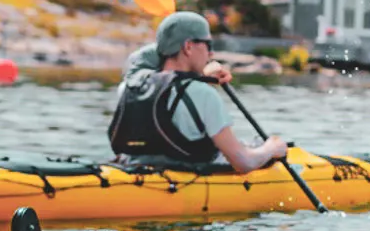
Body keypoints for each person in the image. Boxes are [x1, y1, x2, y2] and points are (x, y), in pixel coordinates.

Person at [108, 11, 288, 174]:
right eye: (208, 44)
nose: (211, 53)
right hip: (189, 178)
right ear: (188, 47)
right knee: (256, 148)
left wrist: (173, 46)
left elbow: (139, 59)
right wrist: (272, 148)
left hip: (137, 170)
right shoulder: (203, 94)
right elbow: (243, 162)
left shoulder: (129, 88)